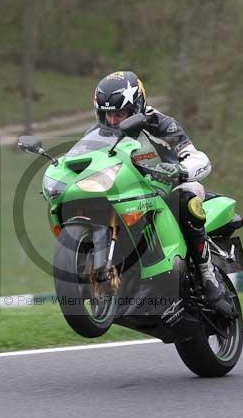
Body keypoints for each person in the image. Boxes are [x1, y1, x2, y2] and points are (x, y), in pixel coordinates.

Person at [88, 70, 232, 317]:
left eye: (120, 114)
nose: (113, 121)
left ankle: (207, 275)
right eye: (108, 114)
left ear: (137, 107)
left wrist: (180, 170)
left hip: (169, 188)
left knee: (186, 198)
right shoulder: (95, 135)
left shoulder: (160, 124)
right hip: (128, 196)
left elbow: (199, 158)